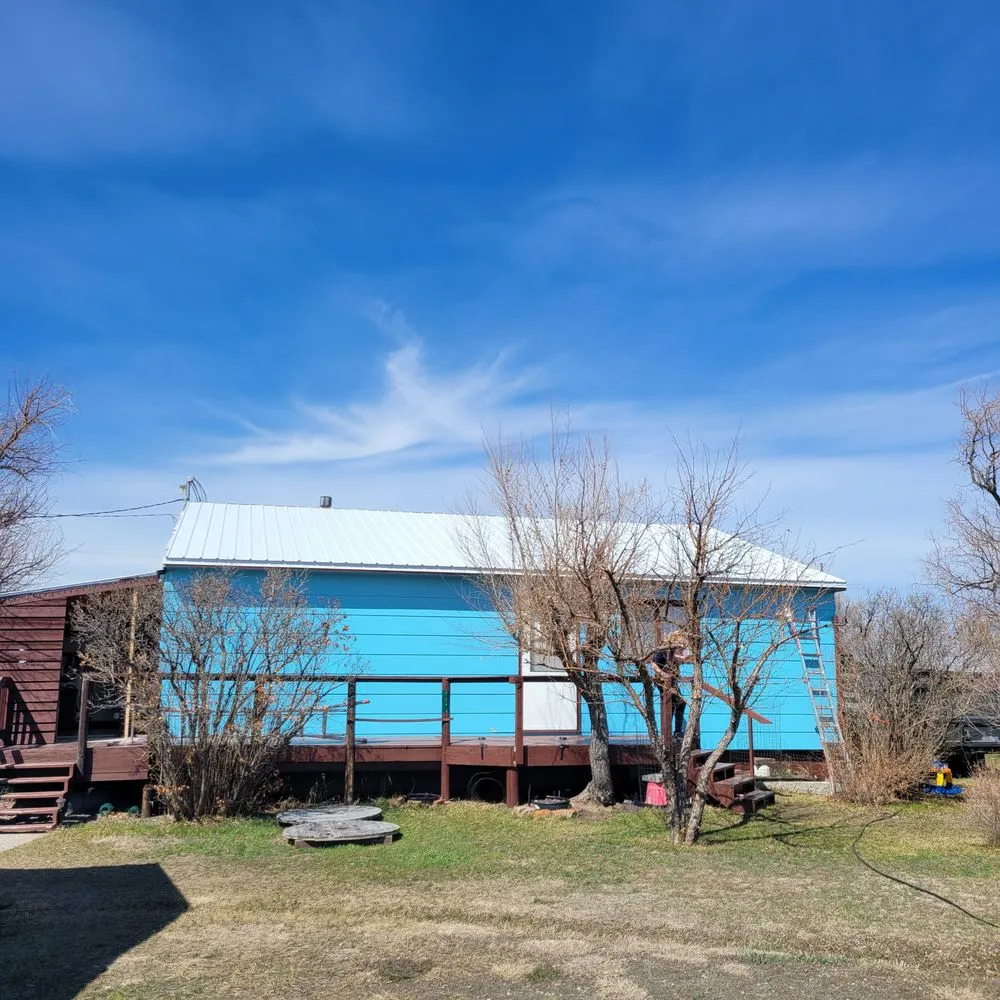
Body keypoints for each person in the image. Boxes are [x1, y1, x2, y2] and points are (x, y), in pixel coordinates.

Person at [651, 629, 690, 737]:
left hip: (672, 681)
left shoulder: (671, 651)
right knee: (677, 703)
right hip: (663, 681)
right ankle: (672, 732)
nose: (681, 649)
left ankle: (674, 731)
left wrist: (681, 658)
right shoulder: (664, 649)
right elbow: (653, 663)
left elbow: (672, 657)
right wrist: (663, 674)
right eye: (681, 647)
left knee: (677, 704)